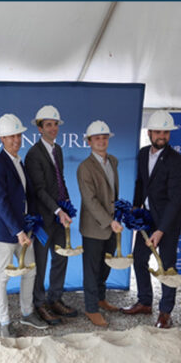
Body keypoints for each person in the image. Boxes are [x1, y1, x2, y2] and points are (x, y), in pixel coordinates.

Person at [0, 113, 49, 337]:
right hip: (5, 233)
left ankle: (27, 312)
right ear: (1, 139)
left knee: (30, 271)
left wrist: (30, 223)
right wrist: (18, 230)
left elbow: (26, 197)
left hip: (24, 230)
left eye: (18, 135)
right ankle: (4, 323)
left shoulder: (18, 161)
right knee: (2, 277)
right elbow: (0, 203)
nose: (16, 140)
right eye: (10, 136)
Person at [124, 110, 181, 328]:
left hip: (169, 221)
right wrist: (135, 206)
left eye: (166, 132)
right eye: (158, 131)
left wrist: (160, 230)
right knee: (140, 259)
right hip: (148, 217)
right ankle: (144, 302)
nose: (162, 136)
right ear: (150, 132)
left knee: (167, 266)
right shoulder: (143, 154)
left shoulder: (177, 161)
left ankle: (165, 312)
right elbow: (142, 183)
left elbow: (175, 199)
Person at [23, 105, 79, 325]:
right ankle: (39, 303)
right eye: (49, 125)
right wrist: (57, 210)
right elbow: (39, 189)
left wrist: (67, 205)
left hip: (59, 215)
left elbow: (60, 180)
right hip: (43, 218)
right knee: (41, 261)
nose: (53, 128)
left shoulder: (58, 150)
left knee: (61, 256)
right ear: (39, 128)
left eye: (55, 124)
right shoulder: (33, 154)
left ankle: (55, 298)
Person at [76, 120, 124, 327]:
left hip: (113, 224)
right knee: (92, 269)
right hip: (95, 227)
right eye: (97, 138)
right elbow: (90, 200)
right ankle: (91, 308)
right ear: (89, 142)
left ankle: (100, 298)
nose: (101, 141)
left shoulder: (113, 161)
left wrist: (117, 217)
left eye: (104, 138)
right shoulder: (84, 167)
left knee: (106, 265)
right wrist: (109, 221)